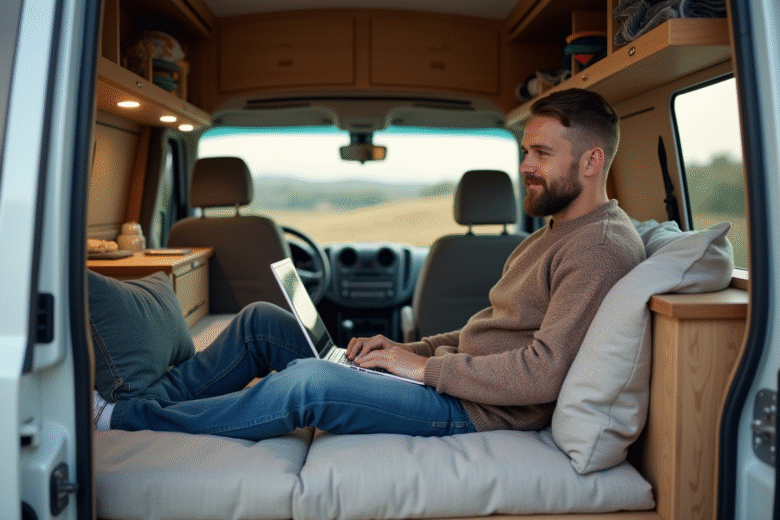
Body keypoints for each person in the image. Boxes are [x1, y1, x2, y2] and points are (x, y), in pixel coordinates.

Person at [93, 88, 646, 440]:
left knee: (307, 385)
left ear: (593, 161)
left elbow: (543, 371)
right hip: (453, 383)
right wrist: (409, 351)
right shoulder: (551, 232)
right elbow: (487, 334)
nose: (525, 166)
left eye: (541, 154)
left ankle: (128, 419)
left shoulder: (599, 247)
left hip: (478, 411)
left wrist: (423, 370)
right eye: (524, 150)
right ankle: (148, 405)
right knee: (262, 321)